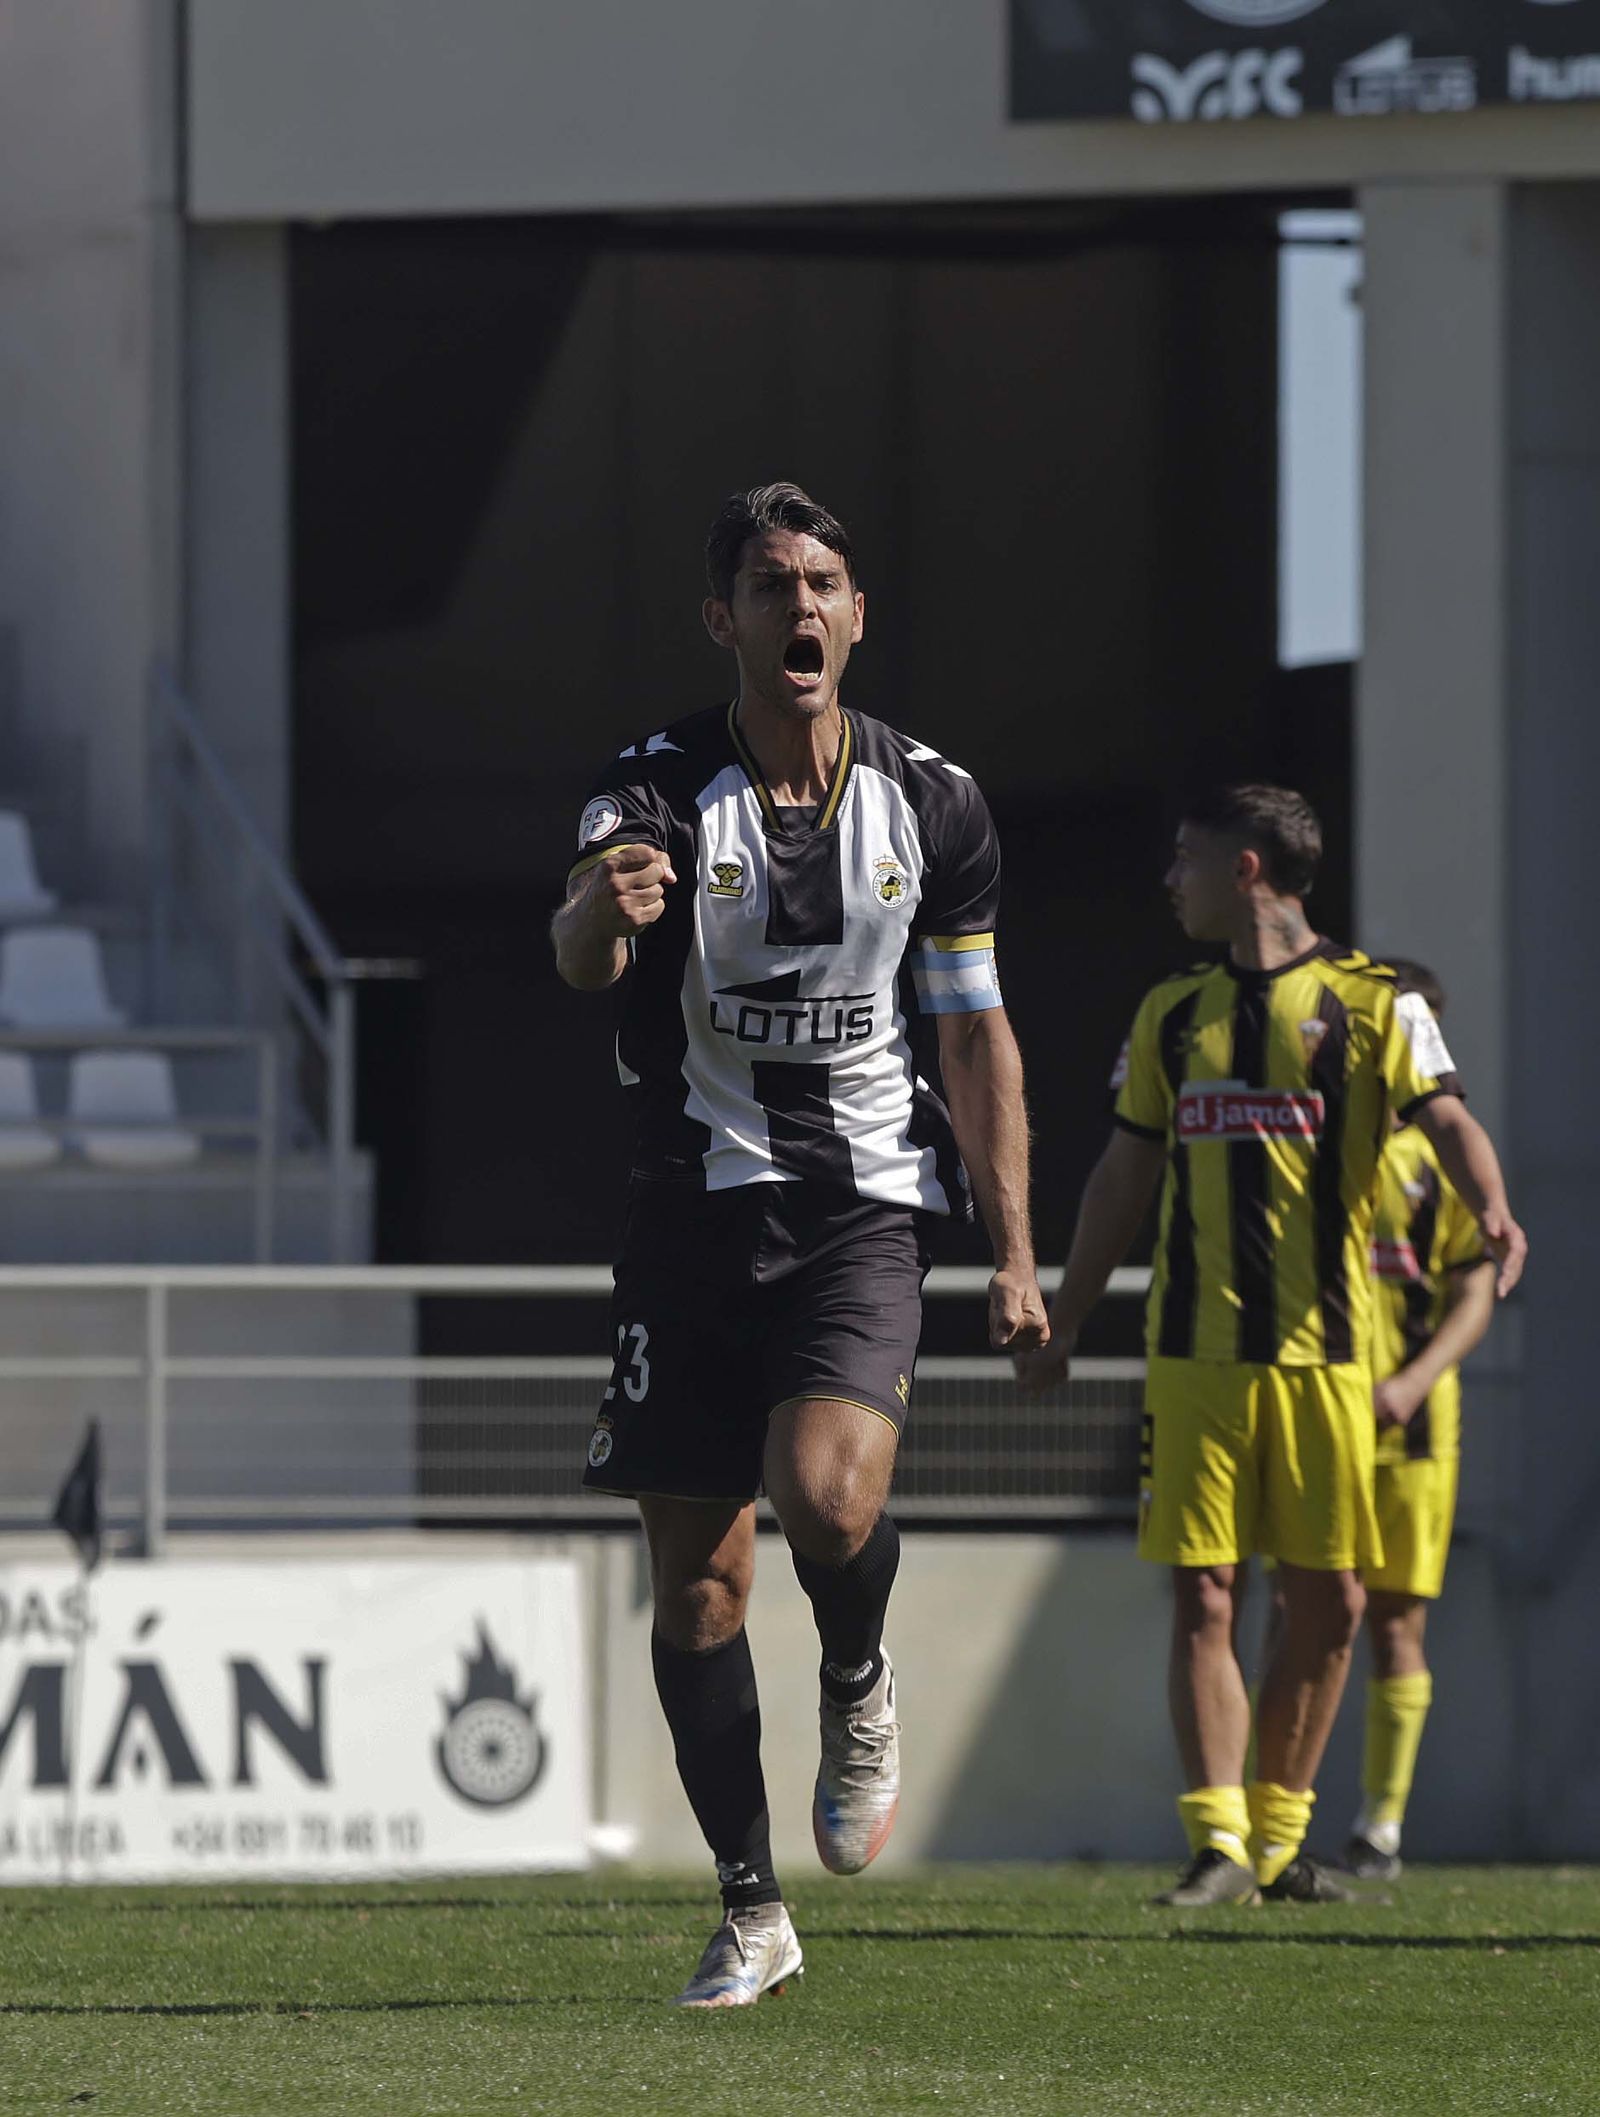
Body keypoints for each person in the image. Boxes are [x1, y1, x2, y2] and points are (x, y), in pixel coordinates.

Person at [552, 482, 1046, 2005]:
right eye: (771, 587)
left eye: (824, 583)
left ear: (857, 614)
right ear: (727, 622)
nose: (801, 610)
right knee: (696, 1588)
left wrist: (1016, 1251)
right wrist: (599, 903)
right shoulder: (649, 791)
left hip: (859, 1207)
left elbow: (974, 1035)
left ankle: (855, 1667)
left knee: (826, 1503)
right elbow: (579, 957)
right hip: (686, 1213)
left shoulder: (934, 804)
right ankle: (752, 1907)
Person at [1016, 786, 1526, 1905]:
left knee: (1332, 1602)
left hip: (1327, 1361)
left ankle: (1285, 1836)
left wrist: (1491, 1203)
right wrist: (1070, 1312)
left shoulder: (1375, 1001)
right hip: (1193, 1358)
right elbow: (1121, 1176)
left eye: (1185, 860)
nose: (1169, 881)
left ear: (1245, 868)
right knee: (1204, 1595)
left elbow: (1447, 1113)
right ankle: (1217, 1841)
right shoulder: (1169, 1010)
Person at [1339, 959, 1496, 1881]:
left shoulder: (1443, 1158)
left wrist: (1414, 1378)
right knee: (1310, 1612)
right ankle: (1275, 1824)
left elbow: (1477, 1284)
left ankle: (1380, 1828)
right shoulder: (1320, 1135)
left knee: (1397, 1621)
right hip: (1314, 1412)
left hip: (1412, 1427)